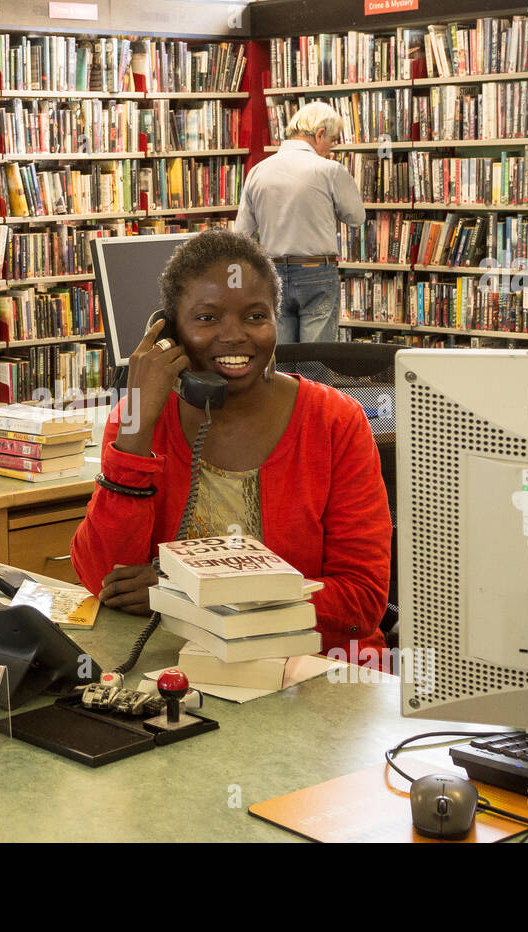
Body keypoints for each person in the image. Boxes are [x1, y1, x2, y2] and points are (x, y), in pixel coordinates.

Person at [69, 230, 390, 659]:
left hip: (317, 672)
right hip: (181, 665)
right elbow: (103, 578)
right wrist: (134, 432)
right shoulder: (138, 416)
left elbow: (362, 602)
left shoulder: (337, 421)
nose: (234, 335)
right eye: (207, 318)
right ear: (169, 332)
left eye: (255, 316)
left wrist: (188, 596)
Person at [233, 102, 365, 344]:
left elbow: (241, 233)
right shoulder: (330, 170)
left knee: (281, 362)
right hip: (316, 271)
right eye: (332, 141)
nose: (331, 148)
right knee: (315, 361)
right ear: (319, 134)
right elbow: (356, 217)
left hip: (271, 273)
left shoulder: (258, 171)